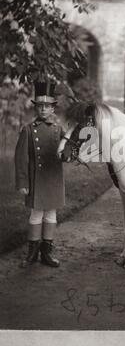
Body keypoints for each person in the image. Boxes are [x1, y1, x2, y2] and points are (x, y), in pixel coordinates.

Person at [15, 80, 65, 268]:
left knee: (51, 215)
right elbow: (21, 159)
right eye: (40, 106)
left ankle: (47, 252)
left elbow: (67, 149)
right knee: (36, 215)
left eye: (48, 106)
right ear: (36, 108)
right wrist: (22, 182)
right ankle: (32, 253)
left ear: (53, 108)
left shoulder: (59, 129)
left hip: (53, 179)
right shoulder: (28, 130)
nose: (44, 110)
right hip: (36, 179)